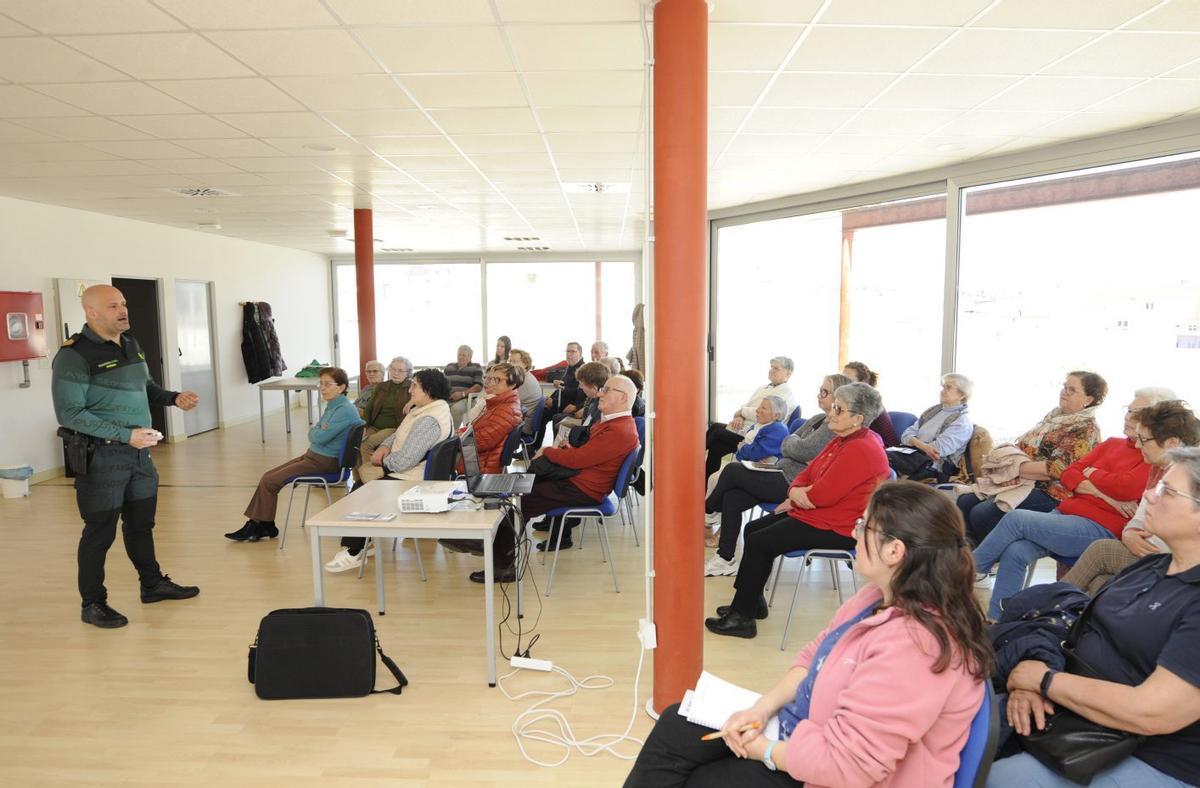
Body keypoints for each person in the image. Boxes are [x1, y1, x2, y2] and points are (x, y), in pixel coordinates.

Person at [625, 482, 993, 787]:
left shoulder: (916, 645)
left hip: (843, 771)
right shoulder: (877, 596)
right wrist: (760, 709)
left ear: (895, 551)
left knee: (711, 779)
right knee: (678, 722)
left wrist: (763, 750)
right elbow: (813, 657)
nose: (854, 530)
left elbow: (851, 767)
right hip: (810, 731)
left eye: (864, 525)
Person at [989, 447, 1200, 787]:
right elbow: (1076, 632)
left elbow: (1154, 712)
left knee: (995, 778)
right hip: (1077, 714)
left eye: (1166, 490)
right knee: (952, 728)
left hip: (1149, 755)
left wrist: (1044, 681)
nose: (1148, 494)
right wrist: (1032, 680)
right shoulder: (1152, 567)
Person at [52, 284, 202, 629]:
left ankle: (152, 585)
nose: (123, 311)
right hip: (101, 457)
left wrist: (174, 398)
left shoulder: (131, 344)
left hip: (140, 455)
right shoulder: (74, 355)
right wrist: (125, 435)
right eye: (112, 306)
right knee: (100, 531)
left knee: (141, 525)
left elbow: (145, 388)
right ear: (91, 312)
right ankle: (93, 604)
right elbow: (70, 413)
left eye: (123, 304)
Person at [704, 383, 890, 629]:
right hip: (819, 514)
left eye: (839, 409)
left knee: (760, 541)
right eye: (834, 407)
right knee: (753, 531)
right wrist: (794, 490)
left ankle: (742, 619)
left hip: (840, 527)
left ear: (858, 418)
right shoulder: (842, 439)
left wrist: (801, 493)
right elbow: (808, 473)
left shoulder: (862, 448)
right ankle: (750, 602)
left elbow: (822, 495)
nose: (831, 413)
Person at [973, 387, 1157, 620]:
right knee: (1015, 551)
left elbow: (1126, 486)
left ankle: (969, 572)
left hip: (1098, 527)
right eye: (1128, 410)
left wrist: (1090, 474)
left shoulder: (1151, 455)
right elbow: (1069, 474)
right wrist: (1104, 493)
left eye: (1136, 412)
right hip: (1065, 515)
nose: (1128, 416)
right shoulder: (1112, 443)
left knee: (1016, 518)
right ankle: (998, 620)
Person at [455, 375, 640, 584]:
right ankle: (493, 542)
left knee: (516, 500)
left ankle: (502, 566)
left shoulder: (619, 430)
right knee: (515, 484)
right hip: (577, 480)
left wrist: (549, 452)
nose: (599, 393)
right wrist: (563, 450)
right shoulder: (614, 423)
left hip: (582, 489)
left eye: (606, 390)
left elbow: (579, 460)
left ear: (623, 397)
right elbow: (588, 455)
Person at [1063, 396, 1197, 595]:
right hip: (1151, 552)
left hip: (1172, 561)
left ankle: (1042, 610)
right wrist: (1130, 532)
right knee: (1102, 582)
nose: (1137, 446)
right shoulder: (1158, 467)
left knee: (1102, 551)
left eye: (1143, 440)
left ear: (1172, 443)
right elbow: (1141, 513)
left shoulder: (1190, 476)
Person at [325, 368, 454, 572]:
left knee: (360, 492)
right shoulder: (424, 410)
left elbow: (406, 460)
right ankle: (362, 543)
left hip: (410, 479)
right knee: (361, 486)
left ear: (428, 391)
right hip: (406, 472)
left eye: (415, 386)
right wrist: (385, 446)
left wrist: (381, 464)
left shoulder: (429, 420)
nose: (410, 390)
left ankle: (354, 551)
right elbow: (399, 433)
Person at [958, 371, 1106, 546]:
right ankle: (970, 555)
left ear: (1088, 400)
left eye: (1072, 390)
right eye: (1064, 387)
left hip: (1052, 492)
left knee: (983, 513)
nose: (1064, 392)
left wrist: (1011, 470)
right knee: (964, 502)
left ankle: (991, 560)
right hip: (1024, 481)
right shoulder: (1054, 416)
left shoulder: (1086, 429)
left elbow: (1058, 470)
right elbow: (1024, 446)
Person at [702, 375, 850, 549]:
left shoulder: (832, 428)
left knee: (733, 470)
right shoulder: (817, 419)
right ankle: (725, 559)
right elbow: (787, 444)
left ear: (838, 397)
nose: (819, 395)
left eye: (825, 392)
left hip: (791, 482)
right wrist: (795, 447)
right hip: (779, 471)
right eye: (820, 390)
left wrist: (795, 447)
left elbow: (800, 448)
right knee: (732, 498)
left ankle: (708, 510)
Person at [228, 366, 363, 544]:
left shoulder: (343, 410)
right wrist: (318, 430)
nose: (322, 388)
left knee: (269, 481)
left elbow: (317, 437)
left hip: (325, 462)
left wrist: (318, 430)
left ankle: (259, 525)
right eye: (320, 383)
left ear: (342, 387)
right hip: (314, 457)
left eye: (328, 384)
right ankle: (262, 524)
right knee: (268, 477)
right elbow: (315, 434)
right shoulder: (333, 405)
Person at [704, 357, 796, 480]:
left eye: (776, 368)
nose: (771, 370)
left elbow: (759, 412)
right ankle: (702, 483)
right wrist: (740, 417)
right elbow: (747, 406)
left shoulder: (784, 394)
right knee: (717, 446)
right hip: (745, 427)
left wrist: (742, 412)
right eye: (771, 367)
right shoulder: (763, 388)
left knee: (717, 431)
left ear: (788, 374)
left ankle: (691, 460)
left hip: (755, 436)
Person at [888, 373, 974, 480]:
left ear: (962, 395)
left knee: (882, 464)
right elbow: (906, 435)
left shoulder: (962, 422)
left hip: (934, 466)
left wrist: (913, 441)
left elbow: (936, 451)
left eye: (948, 387)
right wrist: (921, 445)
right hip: (913, 455)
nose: (942, 390)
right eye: (943, 387)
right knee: (877, 458)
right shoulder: (934, 411)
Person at [354, 355, 413, 483]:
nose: (395, 373)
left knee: (366, 444)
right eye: (393, 369)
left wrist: (411, 401)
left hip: (394, 427)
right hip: (374, 425)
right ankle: (358, 480)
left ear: (408, 373)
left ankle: (371, 480)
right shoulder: (382, 386)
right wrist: (364, 426)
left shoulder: (411, 387)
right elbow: (369, 408)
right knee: (355, 441)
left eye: (400, 370)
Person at [534, 341, 584, 444]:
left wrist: (562, 388)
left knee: (543, 413)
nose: (569, 354)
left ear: (580, 353)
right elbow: (561, 387)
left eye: (572, 351)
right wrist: (551, 398)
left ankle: (550, 447)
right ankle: (533, 447)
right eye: (567, 351)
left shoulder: (582, 369)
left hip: (570, 404)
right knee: (539, 410)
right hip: (560, 401)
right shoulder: (569, 367)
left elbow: (578, 392)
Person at [841, 360, 899, 447]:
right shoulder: (850, 401)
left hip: (884, 452)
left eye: (847, 381)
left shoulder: (867, 404)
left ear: (862, 384)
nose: (842, 384)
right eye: (841, 379)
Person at [551, 361, 609, 445]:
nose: (581, 387)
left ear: (594, 388)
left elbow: (587, 437)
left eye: (582, 384)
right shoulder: (595, 401)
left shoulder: (599, 408)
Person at [443, 344, 483, 426]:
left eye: (464, 355)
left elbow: (478, 386)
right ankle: (442, 433)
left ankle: (454, 435)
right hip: (448, 398)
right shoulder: (449, 367)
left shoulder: (476, 367)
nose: (460, 357)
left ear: (470, 357)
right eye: (459, 355)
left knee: (455, 409)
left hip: (466, 399)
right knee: (437, 407)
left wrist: (462, 394)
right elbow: (441, 383)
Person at [508, 348, 544, 436]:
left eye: (515, 362)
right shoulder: (523, 376)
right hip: (520, 421)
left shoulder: (525, 382)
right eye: (510, 361)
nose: (511, 365)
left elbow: (509, 404)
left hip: (523, 427)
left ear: (525, 364)